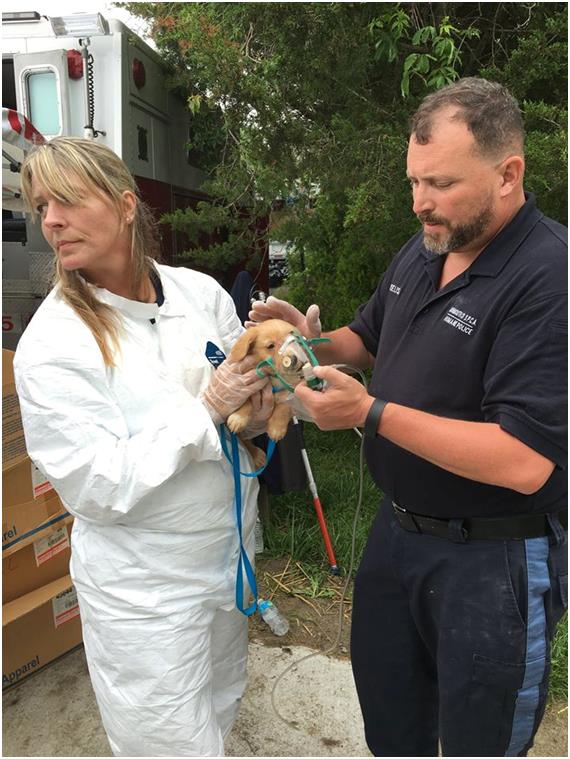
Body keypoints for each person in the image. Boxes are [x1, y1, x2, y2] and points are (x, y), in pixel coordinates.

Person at [248, 77, 567, 757]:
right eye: (414, 181)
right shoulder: (426, 245)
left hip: (492, 559)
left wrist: (369, 412)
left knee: (481, 743)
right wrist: (304, 342)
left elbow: (524, 457)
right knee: (393, 727)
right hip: (397, 537)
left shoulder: (549, 274)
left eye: (441, 183)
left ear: (508, 174)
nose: (421, 202)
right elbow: (363, 339)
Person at [14, 136, 275, 757]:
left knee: (221, 706)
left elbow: (246, 415)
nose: (51, 220)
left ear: (126, 206)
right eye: (42, 205)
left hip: (226, 557)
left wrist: (275, 382)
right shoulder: (55, 346)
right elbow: (97, 486)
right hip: (145, 594)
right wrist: (205, 408)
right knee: (166, 742)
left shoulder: (199, 295)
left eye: (69, 201)